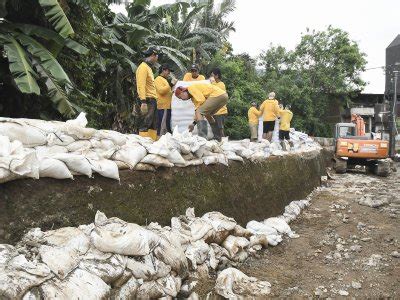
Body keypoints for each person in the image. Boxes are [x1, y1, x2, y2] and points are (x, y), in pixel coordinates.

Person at [135, 47, 159, 141]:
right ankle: (143, 144)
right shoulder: (143, 67)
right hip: (147, 100)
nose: (157, 59)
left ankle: (152, 144)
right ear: (153, 55)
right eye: (157, 57)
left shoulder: (148, 67)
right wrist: (143, 101)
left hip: (152, 99)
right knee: (145, 124)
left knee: (153, 124)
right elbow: (141, 85)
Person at [155, 64, 177, 136]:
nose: (169, 73)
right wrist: (171, 84)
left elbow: (167, 92)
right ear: (163, 70)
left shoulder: (164, 80)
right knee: (162, 126)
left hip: (167, 106)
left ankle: (165, 139)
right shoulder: (158, 79)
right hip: (163, 106)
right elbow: (161, 91)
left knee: (166, 125)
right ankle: (160, 140)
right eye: (168, 71)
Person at [210, 68, 227, 141]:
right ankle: (218, 142)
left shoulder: (221, 85)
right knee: (215, 129)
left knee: (220, 129)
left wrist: (211, 82)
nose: (211, 77)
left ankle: (224, 142)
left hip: (220, 111)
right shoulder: (215, 83)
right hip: (215, 111)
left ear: (216, 76)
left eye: (212, 75)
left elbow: (213, 90)